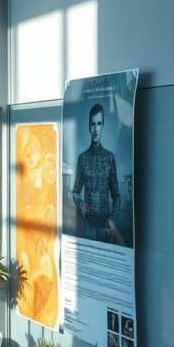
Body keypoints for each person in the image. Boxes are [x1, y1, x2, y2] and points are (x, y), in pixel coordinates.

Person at [71, 103, 124, 245]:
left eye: (99, 124)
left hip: (105, 226)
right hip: (87, 225)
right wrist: (80, 202)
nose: (95, 129)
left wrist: (113, 219)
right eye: (93, 124)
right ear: (89, 126)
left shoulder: (109, 158)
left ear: (103, 126)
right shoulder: (82, 158)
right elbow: (75, 191)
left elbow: (117, 196)